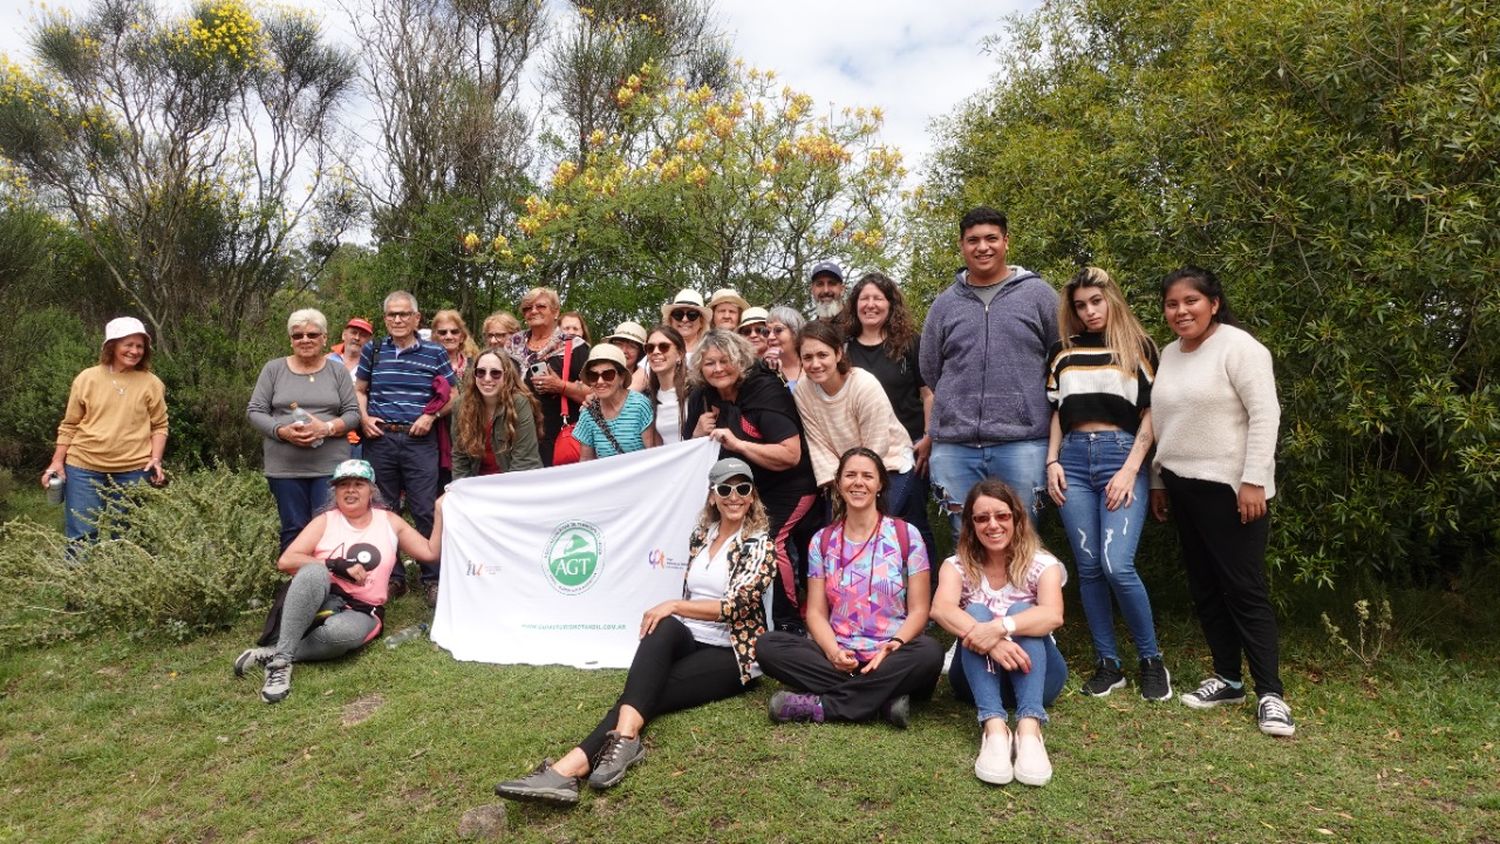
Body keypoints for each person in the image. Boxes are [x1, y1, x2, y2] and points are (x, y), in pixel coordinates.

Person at [492, 458, 776, 806]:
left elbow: (735, 606)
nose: (734, 496)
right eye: (725, 489)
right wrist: (672, 611)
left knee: (644, 688)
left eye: (742, 489)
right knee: (663, 629)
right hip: (690, 640)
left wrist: (673, 604)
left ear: (752, 496)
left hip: (731, 653)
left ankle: (567, 771)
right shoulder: (703, 535)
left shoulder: (759, 544)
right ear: (713, 495)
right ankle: (623, 741)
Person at [1148, 266, 1292, 737]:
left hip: (1232, 490)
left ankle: (1271, 694)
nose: (1181, 311)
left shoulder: (1240, 347)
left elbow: (1265, 414)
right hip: (1182, 486)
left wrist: (1254, 479)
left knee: (1244, 589)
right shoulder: (1169, 354)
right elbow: (1166, 422)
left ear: (1212, 303)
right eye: (1172, 304)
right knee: (1205, 587)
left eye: (1191, 301)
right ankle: (1228, 678)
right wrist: (1157, 480)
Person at [1043, 267, 1170, 700]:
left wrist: (1132, 468)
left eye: (1096, 301)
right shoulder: (1063, 352)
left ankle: (1152, 660)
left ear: (1111, 299)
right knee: (1090, 568)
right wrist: (1051, 461)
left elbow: (1152, 415)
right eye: (1080, 305)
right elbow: (1057, 412)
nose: (1089, 311)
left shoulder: (1139, 348)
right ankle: (1108, 663)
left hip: (1121, 455)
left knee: (1119, 563)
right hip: (1072, 463)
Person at [757, 447, 942, 727]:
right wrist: (833, 652)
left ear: (880, 484)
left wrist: (892, 647)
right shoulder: (822, 540)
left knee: (930, 652)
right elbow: (817, 613)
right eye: (850, 475)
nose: (858, 482)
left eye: (867, 476)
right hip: (838, 654)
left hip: (891, 654)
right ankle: (883, 701)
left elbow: (919, 611)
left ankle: (822, 705)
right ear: (839, 483)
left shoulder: (907, 535)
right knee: (768, 645)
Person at [233, 459, 444, 704]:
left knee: (341, 633)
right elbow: (287, 560)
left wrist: (439, 512)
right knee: (313, 571)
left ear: (371, 490)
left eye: (358, 484)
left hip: (361, 609)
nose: (350, 490)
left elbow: (430, 553)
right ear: (335, 491)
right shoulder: (326, 520)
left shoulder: (389, 521)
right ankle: (280, 663)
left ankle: (272, 653)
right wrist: (334, 564)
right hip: (319, 598)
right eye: (343, 485)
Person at [920, 206, 1059, 529]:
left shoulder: (1039, 296)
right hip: (956, 447)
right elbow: (929, 368)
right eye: (973, 240)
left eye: (991, 238)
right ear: (962, 245)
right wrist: (958, 404)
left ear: (1006, 241)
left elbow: (1061, 361)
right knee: (965, 540)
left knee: (1023, 538)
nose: (982, 247)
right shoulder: (945, 304)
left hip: (1023, 443)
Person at [930, 479, 1067, 786]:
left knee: (1022, 614)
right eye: (981, 518)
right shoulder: (956, 566)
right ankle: (994, 729)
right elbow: (940, 609)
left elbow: (1053, 614)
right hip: (976, 680)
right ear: (971, 525)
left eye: (1002, 516)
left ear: (1017, 519)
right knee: (974, 614)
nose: (993, 525)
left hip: (1038, 677)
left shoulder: (1043, 564)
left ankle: (1029, 730)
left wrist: (1000, 628)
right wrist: (991, 643)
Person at [681, 330, 820, 630]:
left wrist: (739, 444)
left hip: (790, 486)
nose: (718, 369)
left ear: (740, 360)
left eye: (725, 360)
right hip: (744, 491)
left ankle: (787, 623)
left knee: (769, 543)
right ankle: (745, 617)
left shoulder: (765, 390)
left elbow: (791, 454)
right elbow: (687, 453)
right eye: (709, 363)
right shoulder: (700, 397)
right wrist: (696, 435)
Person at [356, 290, 457, 606]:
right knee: (385, 510)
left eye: (403, 314)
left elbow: (453, 395)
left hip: (419, 440)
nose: (397, 320)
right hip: (380, 439)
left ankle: (433, 579)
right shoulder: (372, 350)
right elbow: (360, 390)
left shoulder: (434, 352)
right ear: (385, 319)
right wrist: (363, 417)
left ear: (417, 318)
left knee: (425, 509)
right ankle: (393, 577)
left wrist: (430, 415)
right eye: (391, 315)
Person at [43, 316, 168, 544]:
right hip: (84, 468)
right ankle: (79, 579)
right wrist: (57, 461)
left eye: (140, 346)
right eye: (128, 345)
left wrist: (156, 459)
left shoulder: (152, 383)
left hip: (134, 469)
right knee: (82, 536)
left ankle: (125, 579)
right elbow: (69, 425)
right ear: (112, 346)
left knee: (130, 538)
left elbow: (159, 425)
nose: (134, 351)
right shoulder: (87, 378)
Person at [246, 308, 362, 552]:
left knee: (329, 527)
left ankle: (332, 586)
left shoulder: (337, 371)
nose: (305, 340)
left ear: (324, 338)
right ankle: (295, 585)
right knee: (293, 527)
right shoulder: (273, 369)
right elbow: (255, 410)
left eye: (312, 334)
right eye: (298, 335)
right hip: (285, 468)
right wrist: (282, 431)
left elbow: (353, 414)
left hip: (329, 467)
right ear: (290, 339)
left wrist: (326, 428)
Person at [834, 272, 935, 552]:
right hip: (860, 453)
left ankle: (924, 591)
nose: (870, 304)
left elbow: (928, 393)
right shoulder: (843, 347)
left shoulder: (910, 344)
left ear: (890, 304)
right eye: (864, 298)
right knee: (867, 524)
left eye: (878, 298)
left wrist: (927, 438)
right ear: (854, 305)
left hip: (909, 450)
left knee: (912, 524)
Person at [792, 320, 916, 516]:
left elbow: (876, 444)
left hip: (889, 464)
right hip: (843, 477)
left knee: (871, 529)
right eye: (807, 357)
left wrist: (857, 484)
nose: (815, 364)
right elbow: (818, 445)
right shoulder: (803, 391)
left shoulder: (863, 385)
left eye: (822, 355)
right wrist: (843, 485)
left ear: (838, 353)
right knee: (835, 535)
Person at [506, 287, 589, 467]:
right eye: (527, 308)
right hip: (514, 436)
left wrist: (560, 386)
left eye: (540, 306)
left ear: (556, 311)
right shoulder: (512, 344)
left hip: (556, 437)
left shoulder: (573, 346)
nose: (533, 311)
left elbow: (594, 394)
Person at [451, 347, 543, 478]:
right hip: (477, 484)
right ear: (474, 374)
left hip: (517, 483)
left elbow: (524, 462)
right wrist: (461, 490)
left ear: (506, 376)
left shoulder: (519, 403)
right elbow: (460, 459)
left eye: (495, 373)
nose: (487, 378)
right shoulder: (460, 405)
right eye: (481, 372)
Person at [573, 345, 660, 459]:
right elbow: (586, 462)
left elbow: (655, 454)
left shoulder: (640, 405)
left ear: (622, 377)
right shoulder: (588, 413)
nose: (600, 381)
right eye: (593, 375)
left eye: (608, 375)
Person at [329, 317, 375, 458]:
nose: (357, 338)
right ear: (344, 334)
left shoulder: (374, 365)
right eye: (353, 332)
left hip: (360, 434)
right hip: (328, 430)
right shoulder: (326, 361)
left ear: (369, 340)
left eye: (363, 335)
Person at [643, 325, 688, 446]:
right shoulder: (648, 398)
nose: (656, 352)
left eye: (664, 347)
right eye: (650, 348)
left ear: (680, 354)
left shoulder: (696, 391)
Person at [661, 289, 710, 361]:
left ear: (701, 321)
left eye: (692, 315)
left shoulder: (710, 349)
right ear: (671, 320)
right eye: (678, 314)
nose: (684, 319)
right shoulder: (659, 348)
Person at [764, 306, 806, 388]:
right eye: (767, 332)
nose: (770, 337)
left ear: (795, 333)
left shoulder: (814, 364)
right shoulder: (765, 370)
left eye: (778, 330)